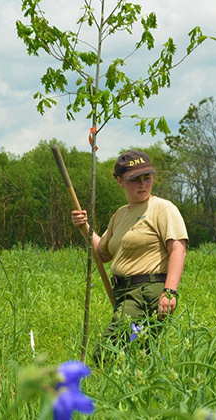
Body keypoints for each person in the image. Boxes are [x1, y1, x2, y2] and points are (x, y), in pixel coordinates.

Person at [71, 150, 188, 363]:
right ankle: (142, 393)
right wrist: (84, 226)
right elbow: (103, 253)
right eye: (134, 179)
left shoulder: (162, 208)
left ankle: (98, 389)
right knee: (141, 355)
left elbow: (178, 249)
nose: (142, 184)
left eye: (147, 177)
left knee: (106, 351)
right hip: (124, 292)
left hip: (147, 292)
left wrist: (170, 292)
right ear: (120, 181)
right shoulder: (121, 214)